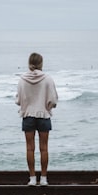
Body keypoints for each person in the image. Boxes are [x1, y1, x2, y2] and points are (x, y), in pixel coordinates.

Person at [15, 52, 58, 185]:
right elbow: (53, 100)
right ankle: (44, 178)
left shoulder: (22, 79)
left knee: (30, 148)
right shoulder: (48, 79)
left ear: (29, 63)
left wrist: (27, 105)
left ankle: (32, 178)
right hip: (43, 116)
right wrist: (47, 108)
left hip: (28, 115)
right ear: (41, 64)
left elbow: (18, 100)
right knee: (44, 148)